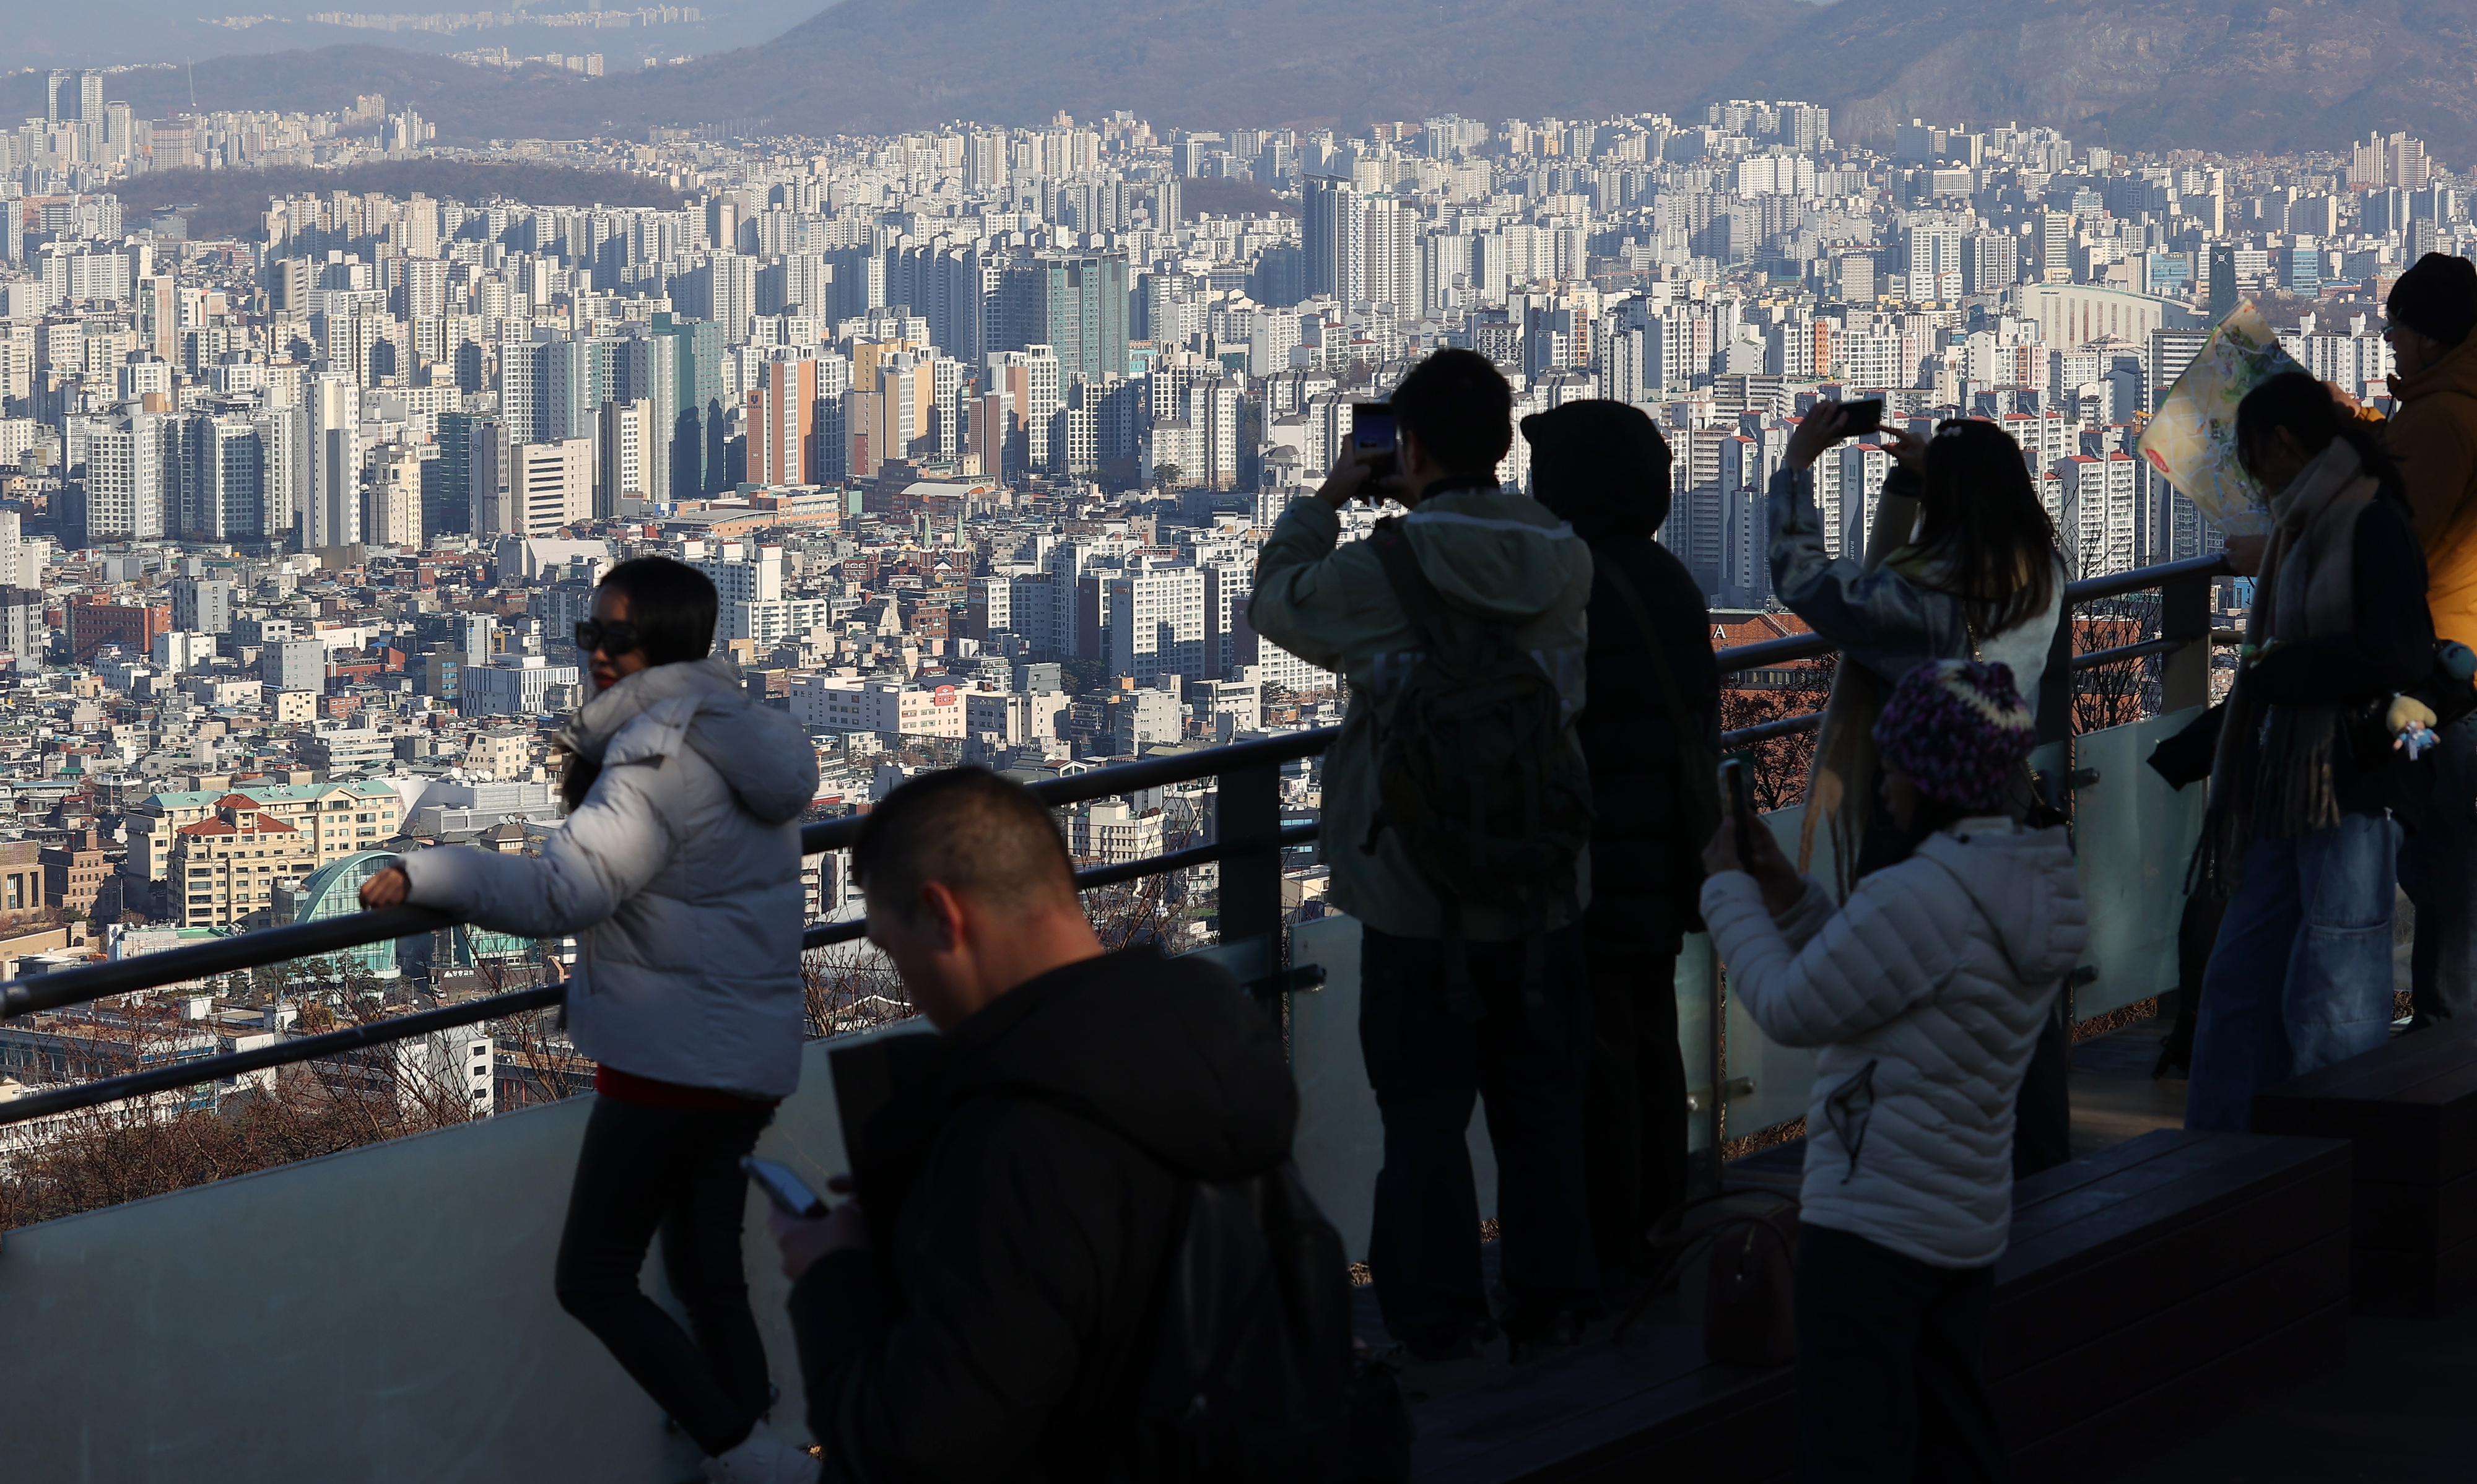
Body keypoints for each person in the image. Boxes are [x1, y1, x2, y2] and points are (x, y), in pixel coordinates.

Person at [359, 557, 822, 1484]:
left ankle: (742, 1452)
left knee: (595, 1278)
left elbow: (562, 891)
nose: (601, 653)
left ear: (671, 645)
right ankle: (763, 1434)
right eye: (590, 635)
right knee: (703, 1264)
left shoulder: (655, 758)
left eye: (620, 636)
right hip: (745, 1052)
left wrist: (431, 873)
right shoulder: (742, 738)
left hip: (669, 1060)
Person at [768, 768, 1300, 1479]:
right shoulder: (1204, 1035)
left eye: (894, 950)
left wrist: (830, 1273)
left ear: (940, 915)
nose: (910, 986)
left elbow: (916, 1450)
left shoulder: (1023, 1143)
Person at [1248, 347, 1600, 1356]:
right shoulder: (1565, 556)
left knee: (1424, 1120)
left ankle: (1441, 1321)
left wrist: (1330, 497)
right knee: (1542, 1115)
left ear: (1404, 445)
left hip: (1415, 896)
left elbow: (1277, 602)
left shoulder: (1381, 568)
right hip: (1546, 890)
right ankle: (1557, 1303)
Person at [1700, 659, 2085, 1484]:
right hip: (1963, 1215)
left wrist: (1727, 891)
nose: (1884, 784)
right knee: (1953, 1436)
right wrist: (1792, 899)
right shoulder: (2018, 883)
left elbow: (1791, 1007)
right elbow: (1894, 983)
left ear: (1934, 776)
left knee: (1855, 1450)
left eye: (1897, 763)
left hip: (1873, 1219)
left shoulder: (1922, 893)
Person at [1769, 409, 2073, 1174]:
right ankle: (2043, 1173)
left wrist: (1797, 466)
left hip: (1919, 812)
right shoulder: (2038, 567)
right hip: (2011, 803)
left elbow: (1809, 580)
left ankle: (1900, 1160)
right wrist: (1915, 482)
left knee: (1894, 993)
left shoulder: (1921, 600)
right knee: (2018, 1006)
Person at [2185, 372, 2434, 1130]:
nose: (2255, 481)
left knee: (2334, 983)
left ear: (2286, 444)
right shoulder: (2305, 521)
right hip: (2284, 781)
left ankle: (2335, 1156)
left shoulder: (2365, 520)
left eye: (2256, 460)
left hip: (2346, 784)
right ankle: (2223, 1148)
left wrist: (2283, 670)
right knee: (2242, 974)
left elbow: (2401, 654)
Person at [1520, 399, 1718, 1301]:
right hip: (1659, 850)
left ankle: (1615, 1248)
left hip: (1593, 853)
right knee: (1647, 1043)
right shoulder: (1666, 576)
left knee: (1596, 1058)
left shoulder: (1572, 583)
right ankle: (1657, 1229)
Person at [2367, 253, 2477, 1023]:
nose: (2388, 342)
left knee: (2440, 851)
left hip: (2442, 676)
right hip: (2460, 657)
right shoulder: (2450, 402)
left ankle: (2449, 1026)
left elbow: (2398, 539)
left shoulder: (2443, 417)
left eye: (2395, 326)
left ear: (2431, 338)